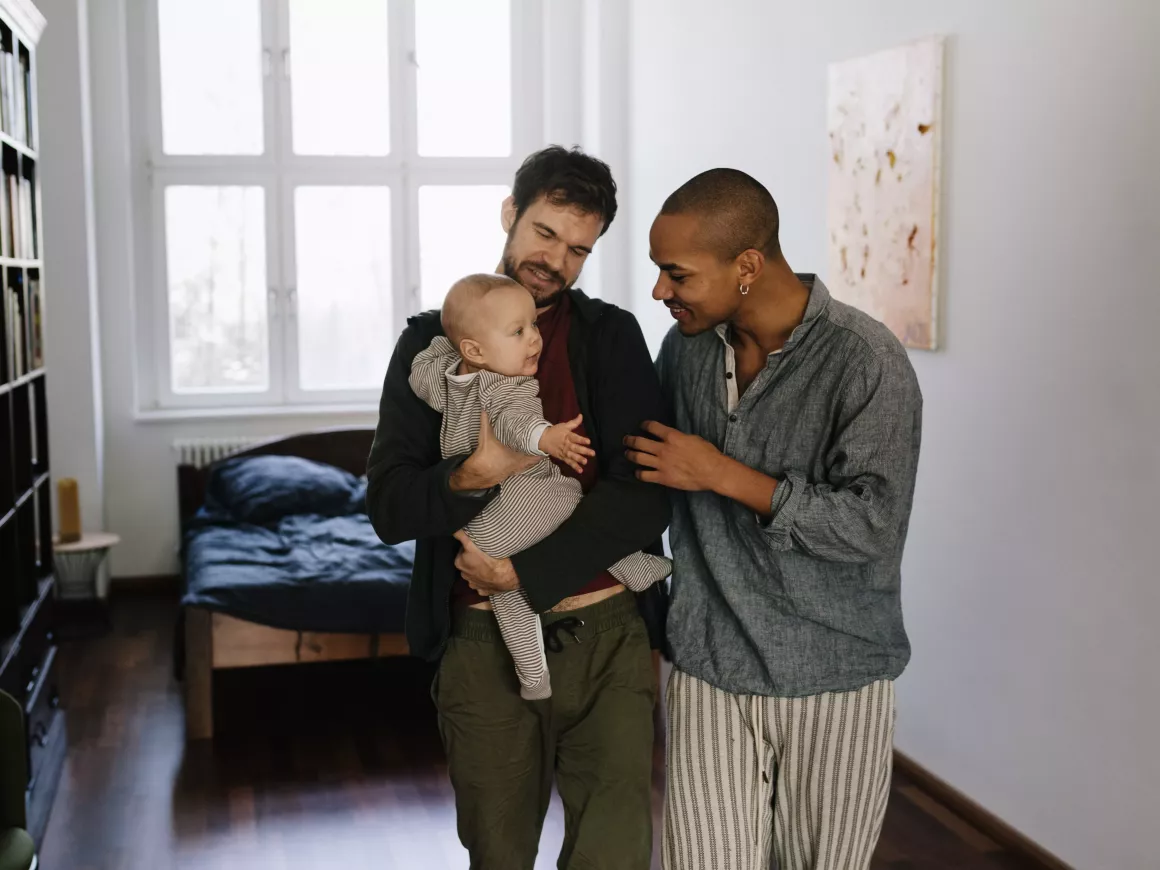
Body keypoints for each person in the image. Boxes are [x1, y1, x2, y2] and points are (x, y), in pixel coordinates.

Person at [366, 146, 670, 870]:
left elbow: (646, 494)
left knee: (613, 856)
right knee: (499, 855)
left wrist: (524, 574)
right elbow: (387, 505)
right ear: (510, 213)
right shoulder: (431, 345)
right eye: (544, 233)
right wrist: (474, 471)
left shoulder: (612, 337)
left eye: (577, 249)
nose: (556, 260)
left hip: (607, 643)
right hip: (481, 652)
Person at [625, 168, 922, 870]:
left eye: (677, 274)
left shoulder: (867, 361)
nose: (661, 291)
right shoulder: (687, 349)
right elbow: (645, 477)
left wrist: (722, 474)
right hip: (708, 663)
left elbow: (873, 526)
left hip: (836, 674)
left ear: (748, 266)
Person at [408, 272, 671, 701]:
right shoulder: (503, 385)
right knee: (575, 502)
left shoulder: (449, 383)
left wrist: (442, 347)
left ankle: (533, 676)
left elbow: (421, 373)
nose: (534, 339)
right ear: (475, 349)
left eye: (533, 326)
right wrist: (548, 438)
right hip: (520, 504)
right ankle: (632, 565)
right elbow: (515, 422)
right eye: (519, 331)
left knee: (510, 600)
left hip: (481, 527)